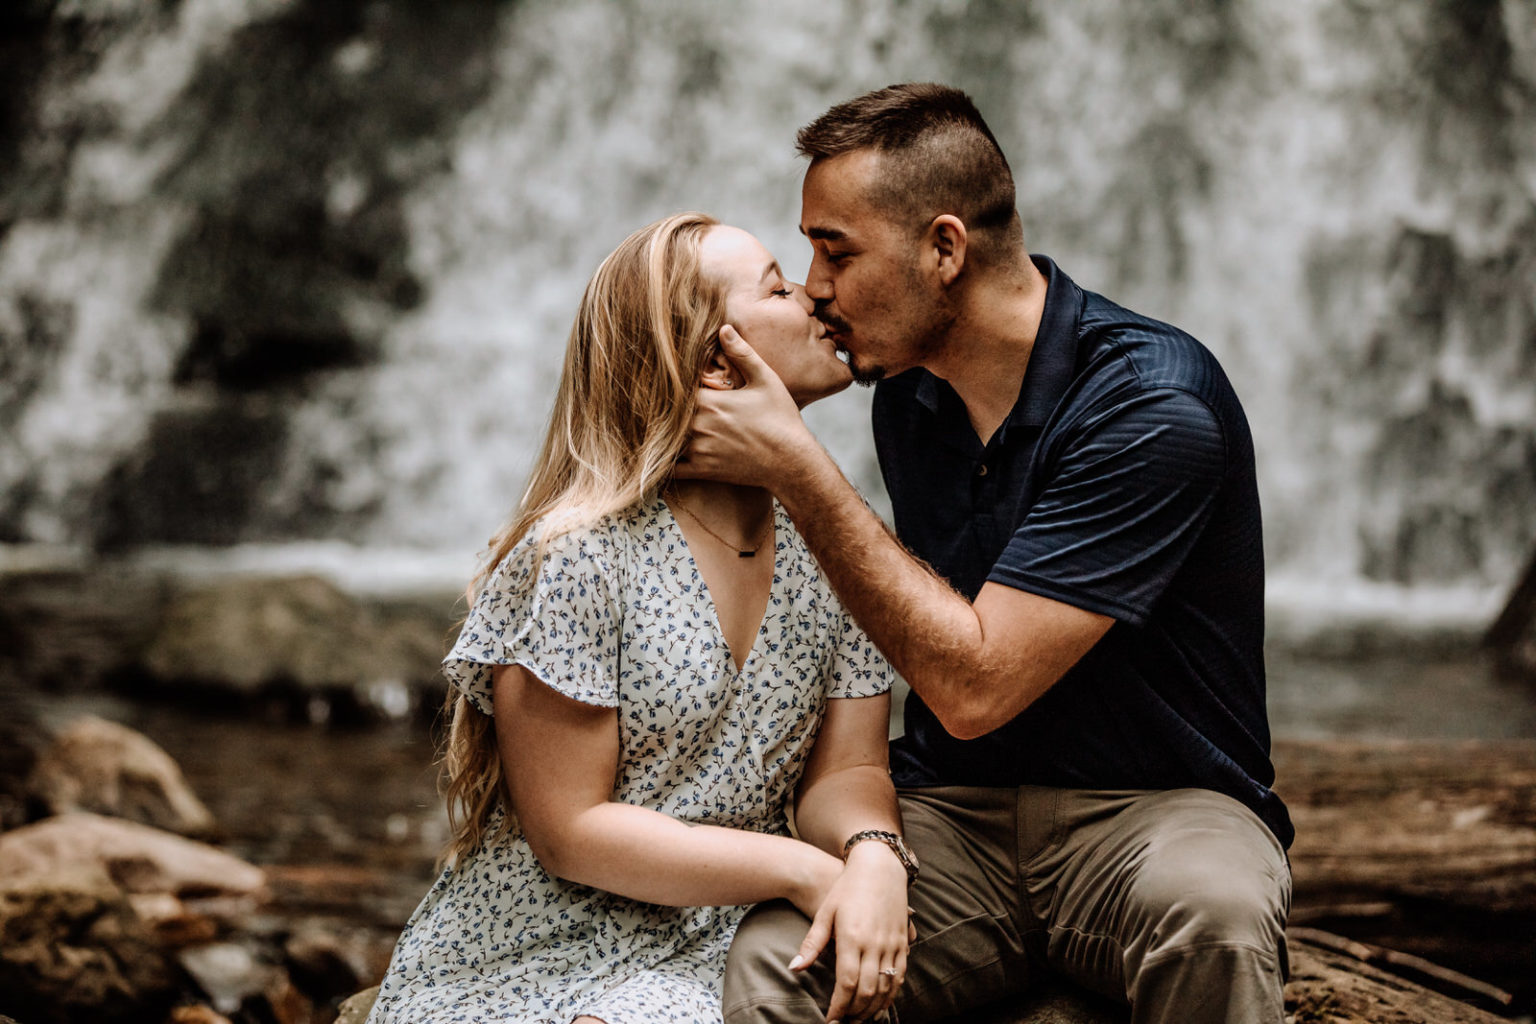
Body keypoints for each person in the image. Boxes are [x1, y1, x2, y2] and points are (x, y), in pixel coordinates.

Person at [680, 85, 1295, 1023]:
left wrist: (798, 470)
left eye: (834, 250)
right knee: (776, 959)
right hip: (954, 819)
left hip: (1157, 810)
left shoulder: (1153, 408)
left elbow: (974, 688)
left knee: (1212, 919)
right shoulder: (907, 397)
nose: (811, 287)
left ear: (944, 249)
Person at [367, 213, 918, 1024]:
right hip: (547, 942)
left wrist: (872, 857)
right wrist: (802, 872)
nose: (814, 297)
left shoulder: (838, 542)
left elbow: (847, 772)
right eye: (777, 286)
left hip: (730, 931)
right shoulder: (580, 556)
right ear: (712, 360)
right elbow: (574, 831)